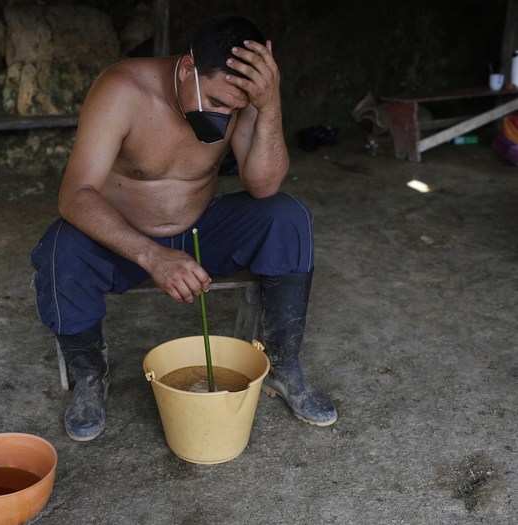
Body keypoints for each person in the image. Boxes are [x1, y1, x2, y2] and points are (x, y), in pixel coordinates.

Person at [31, 15, 337, 441]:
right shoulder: (123, 90)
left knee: (287, 217)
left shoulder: (243, 99)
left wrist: (269, 105)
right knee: (60, 248)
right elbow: (75, 194)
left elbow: (263, 185)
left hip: (198, 232)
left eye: (233, 108)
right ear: (189, 68)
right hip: (124, 241)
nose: (223, 114)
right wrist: (152, 255)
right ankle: (89, 377)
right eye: (214, 101)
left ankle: (282, 366)